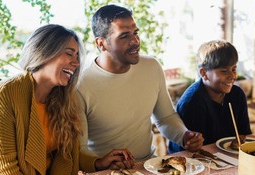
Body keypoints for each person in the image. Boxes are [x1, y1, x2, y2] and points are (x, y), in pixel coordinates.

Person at [0, 24, 132, 175]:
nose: (76, 63)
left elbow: (68, 156)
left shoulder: (64, 99)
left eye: (77, 56)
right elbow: (4, 165)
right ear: (44, 52)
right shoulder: (5, 93)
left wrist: (99, 162)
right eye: (69, 54)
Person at [77, 4, 204, 165]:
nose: (135, 41)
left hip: (149, 166)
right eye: (124, 36)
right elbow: (79, 148)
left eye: (135, 33)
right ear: (101, 43)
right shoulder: (80, 83)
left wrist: (184, 136)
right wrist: (100, 163)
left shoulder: (151, 67)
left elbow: (165, 118)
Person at [168, 40, 252, 153]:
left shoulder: (237, 95)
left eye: (234, 69)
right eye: (224, 71)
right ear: (204, 73)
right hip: (192, 160)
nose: (232, 76)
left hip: (226, 158)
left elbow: (244, 135)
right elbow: (193, 150)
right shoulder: (192, 103)